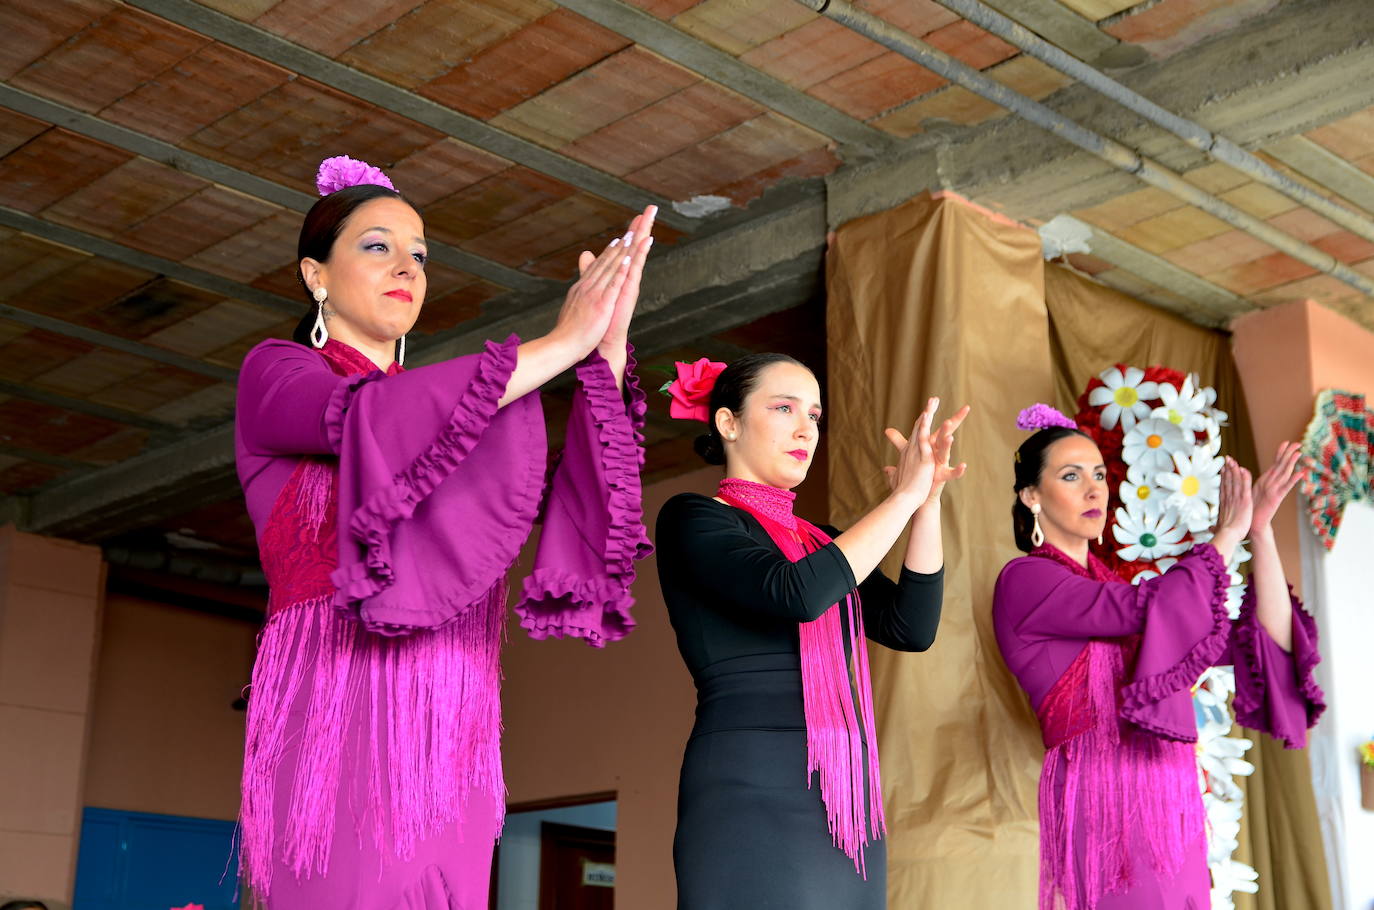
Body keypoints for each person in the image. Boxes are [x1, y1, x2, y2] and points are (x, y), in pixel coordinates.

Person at [234, 155, 656, 908]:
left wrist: (605, 348)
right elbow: (367, 420)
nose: (408, 267)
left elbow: (575, 496)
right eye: (377, 246)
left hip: (456, 708)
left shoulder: (460, 421)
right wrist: (561, 341)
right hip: (340, 689)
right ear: (314, 274)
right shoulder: (277, 372)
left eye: (420, 255)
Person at [654, 353, 969, 908]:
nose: (807, 429)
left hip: (845, 794)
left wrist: (926, 505)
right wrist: (900, 499)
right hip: (751, 781)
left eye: (816, 415)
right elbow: (796, 594)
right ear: (728, 424)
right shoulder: (694, 517)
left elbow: (910, 626)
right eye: (784, 408)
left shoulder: (822, 542)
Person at [993, 406, 1324, 910]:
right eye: (1071, 475)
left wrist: (1258, 532)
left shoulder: (1123, 594)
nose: (1094, 489)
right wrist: (1225, 537)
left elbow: (1261, 640)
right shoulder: (1026, 581)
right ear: (1031, 496)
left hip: (1173, 799)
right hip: (1104, 798)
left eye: (1099, 475)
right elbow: (1147, 608)